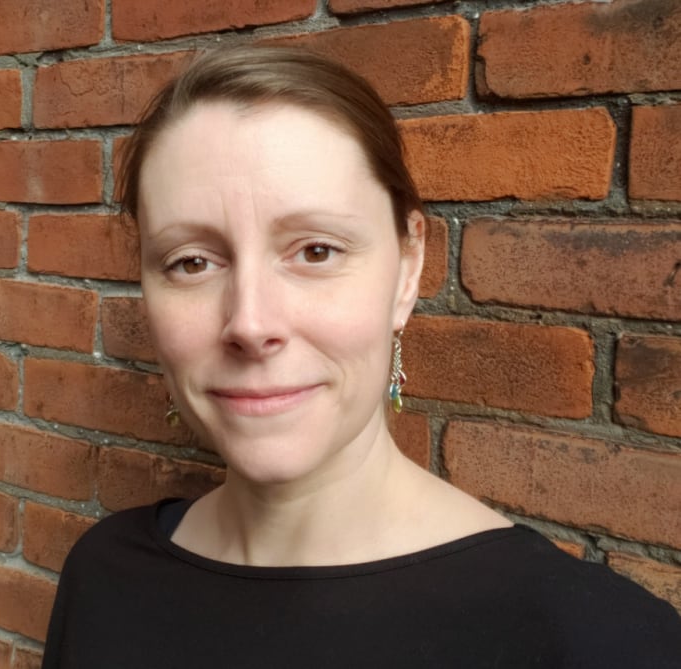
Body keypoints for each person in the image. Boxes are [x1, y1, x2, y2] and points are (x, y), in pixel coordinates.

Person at [41, 45, 680, 668]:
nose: (250, 322)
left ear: (407, 270)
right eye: (191, 262)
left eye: (316, 250)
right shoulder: (103, 575)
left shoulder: (601, 642)